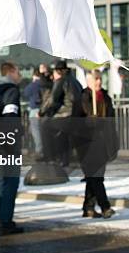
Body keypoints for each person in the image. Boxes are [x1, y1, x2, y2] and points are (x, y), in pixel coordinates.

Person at [79, 70, 116, 218]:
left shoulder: (105, 97)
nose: (98, 82)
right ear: (88, 82)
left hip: (103, 143)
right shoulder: (83, 97)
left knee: (93, 177)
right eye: (95, 79)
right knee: (96, 176)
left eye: (100, 79)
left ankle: (88, 208)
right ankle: (105, 206)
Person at [0, 61, 23, 235]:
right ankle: (5, 221)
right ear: (10, 71)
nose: (20, 74)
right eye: (18, 70)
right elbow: (10, 117)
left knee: (2, 181)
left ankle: (3, 218)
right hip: (7, 144)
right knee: (9, 182)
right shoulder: (11, 91)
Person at [39, 59, 83, 168]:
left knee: (45, 126)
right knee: (64, 138)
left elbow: (53, 99)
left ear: (58, 72)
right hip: (76, 116)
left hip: (64, 115)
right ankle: (64, 160)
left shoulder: (61, 81)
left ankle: (50, 158)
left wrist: (41, 112)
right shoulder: (76, 81)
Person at [23, 69, 43, 154]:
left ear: (34, 75)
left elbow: (25, 93)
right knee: (42, 131)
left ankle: (39, 150)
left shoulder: (33, 85)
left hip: (34, 110)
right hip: (45, 110)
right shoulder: (46, 84)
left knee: (36, 131)